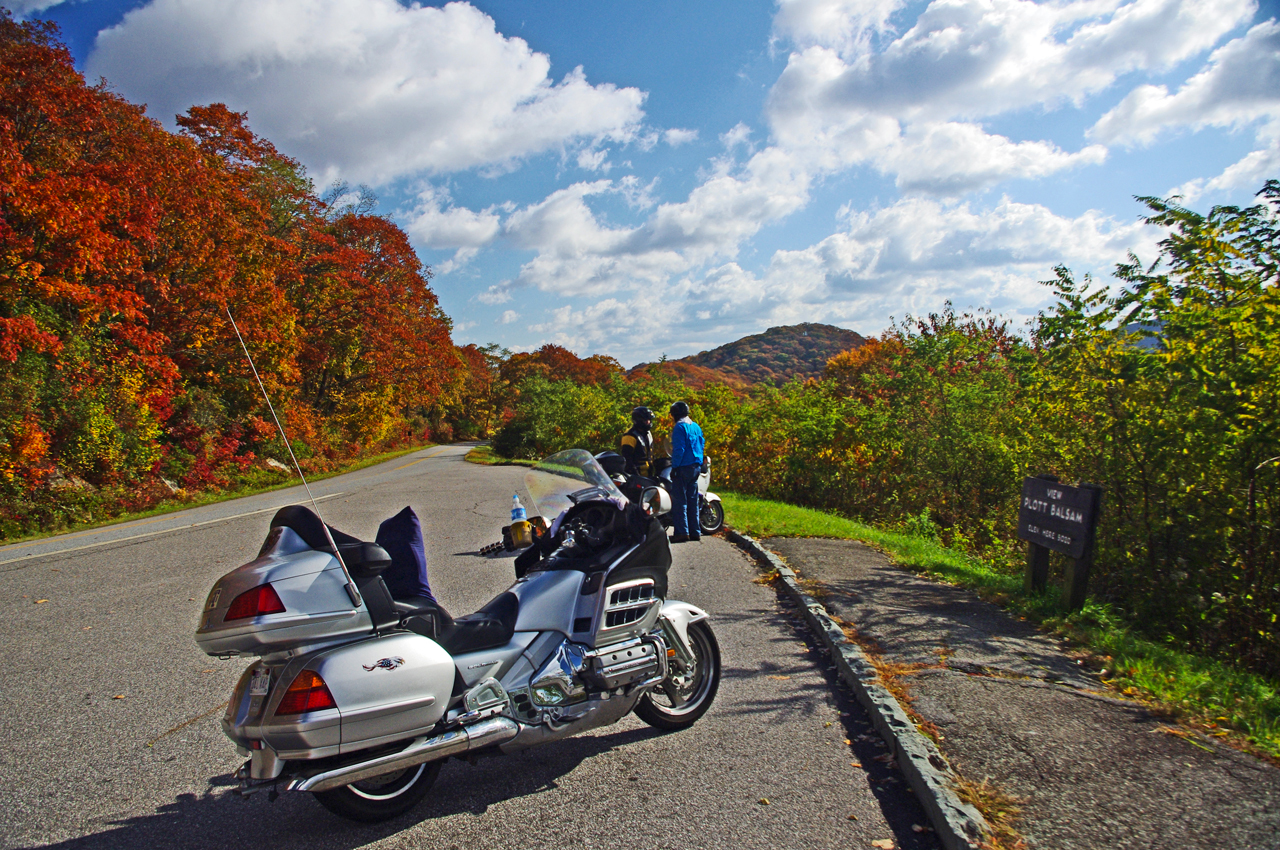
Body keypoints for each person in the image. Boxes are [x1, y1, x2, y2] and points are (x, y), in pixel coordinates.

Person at [667, 401, 705, 543]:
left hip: (683, 466)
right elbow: (702, 444)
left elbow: (679, 449)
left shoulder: (679, 427)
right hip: (696, 466)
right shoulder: (695, 426)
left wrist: (674, 467)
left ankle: (682, 532)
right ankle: (695, 531)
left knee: (679, 500)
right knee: (693, 500)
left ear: (675, 414)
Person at [619, 406, 656, 478]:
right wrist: (635, 475)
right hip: (636, 476)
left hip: (649, 475)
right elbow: (627, 458)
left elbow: (650, 454)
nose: (648, 422)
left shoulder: (648, 433)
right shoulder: (629, 435)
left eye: (649, 420)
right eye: (646, 421)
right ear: (639, 420)